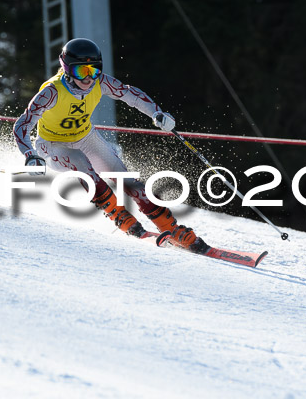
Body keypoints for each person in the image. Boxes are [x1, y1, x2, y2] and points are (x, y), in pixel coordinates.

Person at [13, 38, 203, 250]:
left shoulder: (100, 82)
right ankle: (121, 217)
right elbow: (23, 123)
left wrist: (157, 113)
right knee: (82, 164)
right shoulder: (52, 91)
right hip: (52, 145)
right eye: (81, 72)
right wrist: (30, 154)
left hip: (85, 137)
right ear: (67, 70)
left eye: (93, 71)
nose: (88, 78)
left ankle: (171, 227)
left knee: (128, 181)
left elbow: (130, 93)